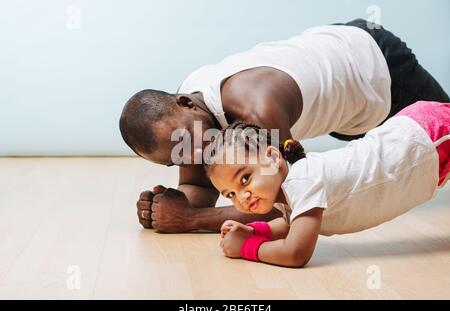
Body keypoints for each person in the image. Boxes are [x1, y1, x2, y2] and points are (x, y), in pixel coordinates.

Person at [119, 18, 450, 233]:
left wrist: (191, 219)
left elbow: (298, 198)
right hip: (339, 101)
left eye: (188, 142)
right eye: (177, 158)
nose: (195, 157)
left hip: (377, 68)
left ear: (187, 103)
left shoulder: (256, 110)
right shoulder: (190, 123)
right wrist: (166, 205)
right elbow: (203, 188)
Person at [204, 101, 450, 268]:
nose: (242, 197)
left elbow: (296, 252)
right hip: (421, 151)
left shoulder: (302, 180)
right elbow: (292, 224)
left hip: (424, 140)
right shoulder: (289, 190)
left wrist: (247, 247)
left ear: (272, 157)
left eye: (245, 178)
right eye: (230, 194)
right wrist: (256, 230)